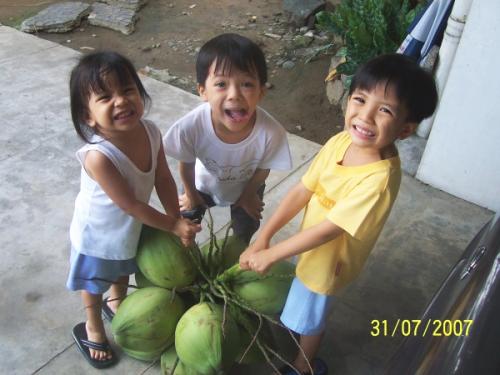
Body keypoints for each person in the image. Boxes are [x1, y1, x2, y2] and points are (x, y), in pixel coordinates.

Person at [239, 53, 438, 375]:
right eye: (360, 100)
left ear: (405, 129)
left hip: (331, 262)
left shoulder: (378, 180)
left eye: (384, 110)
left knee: (311, 318)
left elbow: (329, 230)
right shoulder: (340, 141)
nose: (366, 116)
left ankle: (305, 365)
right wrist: (264, 236)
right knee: (304, 305)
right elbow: (303, 190)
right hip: (312, 250)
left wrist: (273, 254)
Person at [66, 51, 201, 369]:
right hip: (97, 234)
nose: (121, 101)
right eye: (105, 97)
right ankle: (93, 327)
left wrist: (176, 217)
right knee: (94, 282)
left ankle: (117, 301)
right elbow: (130, 204)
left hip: (130, 227)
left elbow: (163, 177)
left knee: (123, 268)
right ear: (88, 116)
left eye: (127, 90)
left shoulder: (152, 131)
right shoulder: (99, 157)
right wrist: (171, 227)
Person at [163, 33, 292, 244]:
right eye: (221, 84)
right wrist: (191, 194)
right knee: (185, 222)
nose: (234, 94)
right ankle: (187, 254)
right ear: (203, 91)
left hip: (248, 186)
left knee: (245, 226)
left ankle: (237, 253)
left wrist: (249, 195)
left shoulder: (271, 132)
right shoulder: (190, 127)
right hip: (202, 185)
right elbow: (185, 164)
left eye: (247, 84)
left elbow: (263, 169)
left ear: (261, 91)